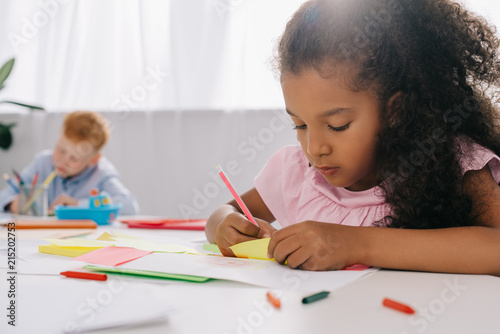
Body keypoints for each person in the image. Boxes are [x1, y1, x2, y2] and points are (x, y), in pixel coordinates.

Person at [206, 0, 500, 275]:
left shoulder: (451, 160)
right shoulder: (296, 173)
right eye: (300, 125)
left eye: (338, 125)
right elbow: (226, 211)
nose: (315, 148)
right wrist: (224, 225)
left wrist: (355, 244)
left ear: (394, 111)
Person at [0, 111, 139, 215]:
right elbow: (5, 195)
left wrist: (79, 205)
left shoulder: (102, 172)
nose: (63, 160)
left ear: (93, 160)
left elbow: (130, 206)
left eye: (74, 159)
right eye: (61, 150)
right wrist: (11, 204)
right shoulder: (42, 163)